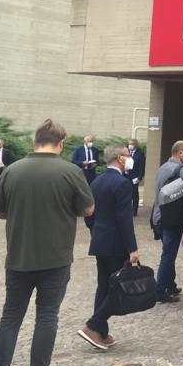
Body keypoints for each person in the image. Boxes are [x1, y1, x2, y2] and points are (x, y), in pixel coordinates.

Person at [0, 119, 94, 366]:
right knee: (47, 317)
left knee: (10, 317)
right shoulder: (70, 171)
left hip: (18, 256)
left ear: (35, 140)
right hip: (55, 257)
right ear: (61, 143)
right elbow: (87, 208)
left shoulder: (11, 170)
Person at [77, 144, 140, 349]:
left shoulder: (97, 181)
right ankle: (93, 325)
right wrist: (132, 248)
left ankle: (101, 332)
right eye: (127, 155)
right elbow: (124, 219)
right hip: (116, 244)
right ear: (119, 158)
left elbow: (89, 214)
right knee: (117, 288)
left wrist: (96, 232)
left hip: (100, 241)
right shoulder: (122, 183)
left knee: (104, 286)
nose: (129, 158)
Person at [152, 140, 183, 303]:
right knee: (168, 255)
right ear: (180, 153)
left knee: (168, 252)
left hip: (158, 216)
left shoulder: (163, 167)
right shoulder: (179, 170)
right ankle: (160, 290)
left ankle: (170, 284)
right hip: (171, 218)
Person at [126, 138, 146, 217]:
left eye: (132, 144)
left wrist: (139, 177)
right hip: (126, 175)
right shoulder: (127, 152)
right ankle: (128, 209)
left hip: (134, 177)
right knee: (126, 193)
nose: (130, 145)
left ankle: (134, 211)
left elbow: (141, 166)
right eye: (129, 144)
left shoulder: (140, 154)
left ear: (135, 145)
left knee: (134, 194)